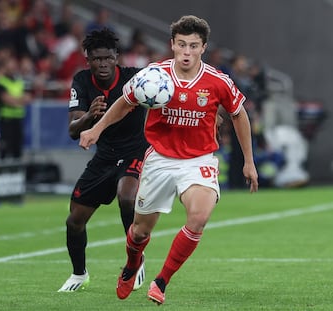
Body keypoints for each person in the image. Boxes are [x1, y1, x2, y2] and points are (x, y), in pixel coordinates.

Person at [79, 15, 259, 305]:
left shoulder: (218, 81)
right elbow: (125, 102)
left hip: (198, 160)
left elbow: (239, 115)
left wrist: (248, 161)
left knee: (199, 217)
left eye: (193, 46)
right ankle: (131, 264)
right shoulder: (154, 76)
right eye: (182, 45)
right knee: (139, 233)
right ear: (172, 45)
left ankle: (161, 281)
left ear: (203, 48)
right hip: (160, 160)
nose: (187, 52)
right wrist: (96, 129)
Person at [57, 28, 148, 292]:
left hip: (135, 151)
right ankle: (79, 274)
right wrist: (88, 117)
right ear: (88, 60)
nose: (103, 64)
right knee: (74, 220)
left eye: (108, 58)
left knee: (127, 196)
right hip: (105, 157)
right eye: (97, 59)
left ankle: (136, 261)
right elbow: (74, 131)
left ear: (116, 57)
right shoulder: (83, 81)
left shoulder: (134, 78)